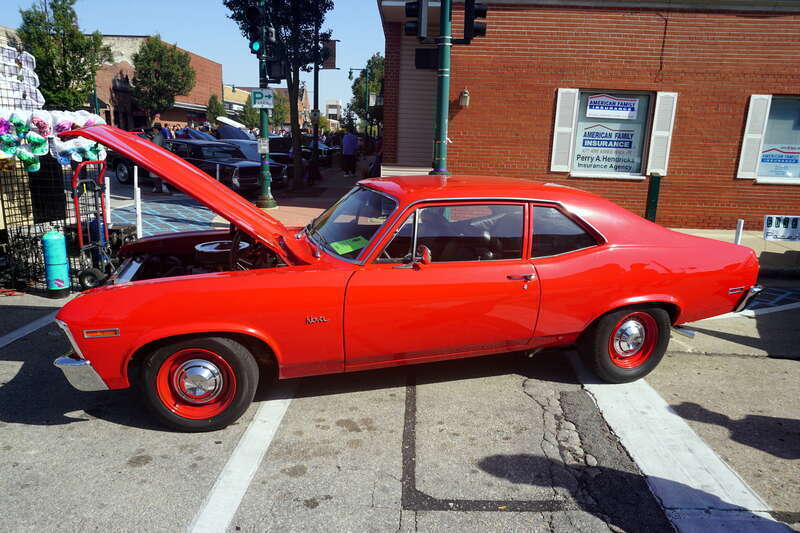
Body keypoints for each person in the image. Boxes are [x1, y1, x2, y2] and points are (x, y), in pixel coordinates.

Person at [148, 123, 170, 194]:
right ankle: (159, 187)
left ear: (156, 129)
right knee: (155, 174)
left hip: (157, 158)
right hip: (158, 158)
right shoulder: (159, 136)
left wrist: (149, 142)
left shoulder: (158, 137)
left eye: (154, 129)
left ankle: (158, 188)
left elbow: (155, 147)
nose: (153, 130)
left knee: (154, 174)